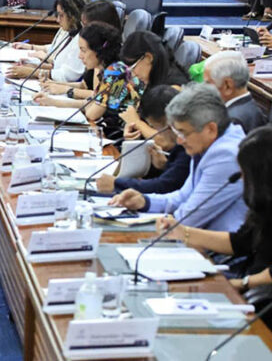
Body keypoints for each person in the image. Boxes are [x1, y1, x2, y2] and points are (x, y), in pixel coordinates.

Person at [109, 83, 247, 233]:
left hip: (216, 245)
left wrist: (161, 219)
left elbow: (189, 217)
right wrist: (145, 201)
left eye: (183, 133)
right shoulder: (207, 144)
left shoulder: (225, 156)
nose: (179, 141)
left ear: (210, 129)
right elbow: (183, 197)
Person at [156, 127, 272, 292]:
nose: (242, 179)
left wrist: (241, 284)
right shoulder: (263, 207)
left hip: (260, 293)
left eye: (245, 173)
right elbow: (242, 241)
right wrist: (183, 232)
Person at [94, 85, 191, 195]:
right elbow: (176, 180)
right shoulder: (181, 147)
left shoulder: (187, 146)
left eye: (154, 127)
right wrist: (164, 166)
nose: (158, 134)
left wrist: (117, 184)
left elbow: (164, 186)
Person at [117, 31, 189, 139]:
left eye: (133, 67)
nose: (133, 74)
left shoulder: (173, 89)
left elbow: (169, 141)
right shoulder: (152, 78)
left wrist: (137, 122)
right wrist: (131, 127)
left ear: (148, 57)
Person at [8, 0, 86, 82]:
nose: (57, 20)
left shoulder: (81, 39)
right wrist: (32, 66)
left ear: (73, 15)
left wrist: (32, 72)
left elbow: (67, 76)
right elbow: (57, 65)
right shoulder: (70, 33)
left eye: (61, 15)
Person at [203, 50, 268, 132]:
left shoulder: (231, 123)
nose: (204, 89)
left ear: (227, 86)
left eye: (208, 83)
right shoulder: (255, 109)